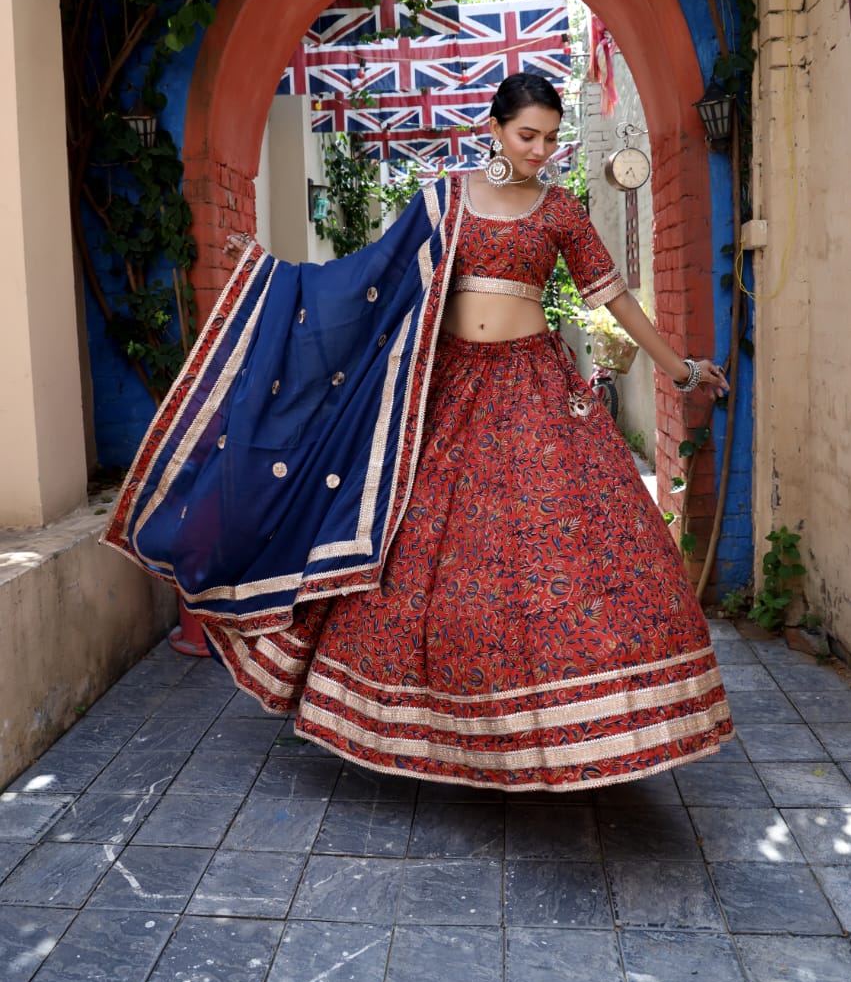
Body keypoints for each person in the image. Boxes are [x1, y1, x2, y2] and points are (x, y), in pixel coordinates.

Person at [103, 72, 733, 792]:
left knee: (559, 555)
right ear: (494, 129)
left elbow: (613, 296)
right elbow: (369, 279)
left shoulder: (559, 210)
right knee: (420, 558)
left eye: (551, 138)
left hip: (535, 395)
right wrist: (272, 275)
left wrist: (680, 370)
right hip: (448, 394)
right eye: (527, 135)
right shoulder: (442, 200)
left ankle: (582, 724)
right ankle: (433, 726)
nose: (539, 150)